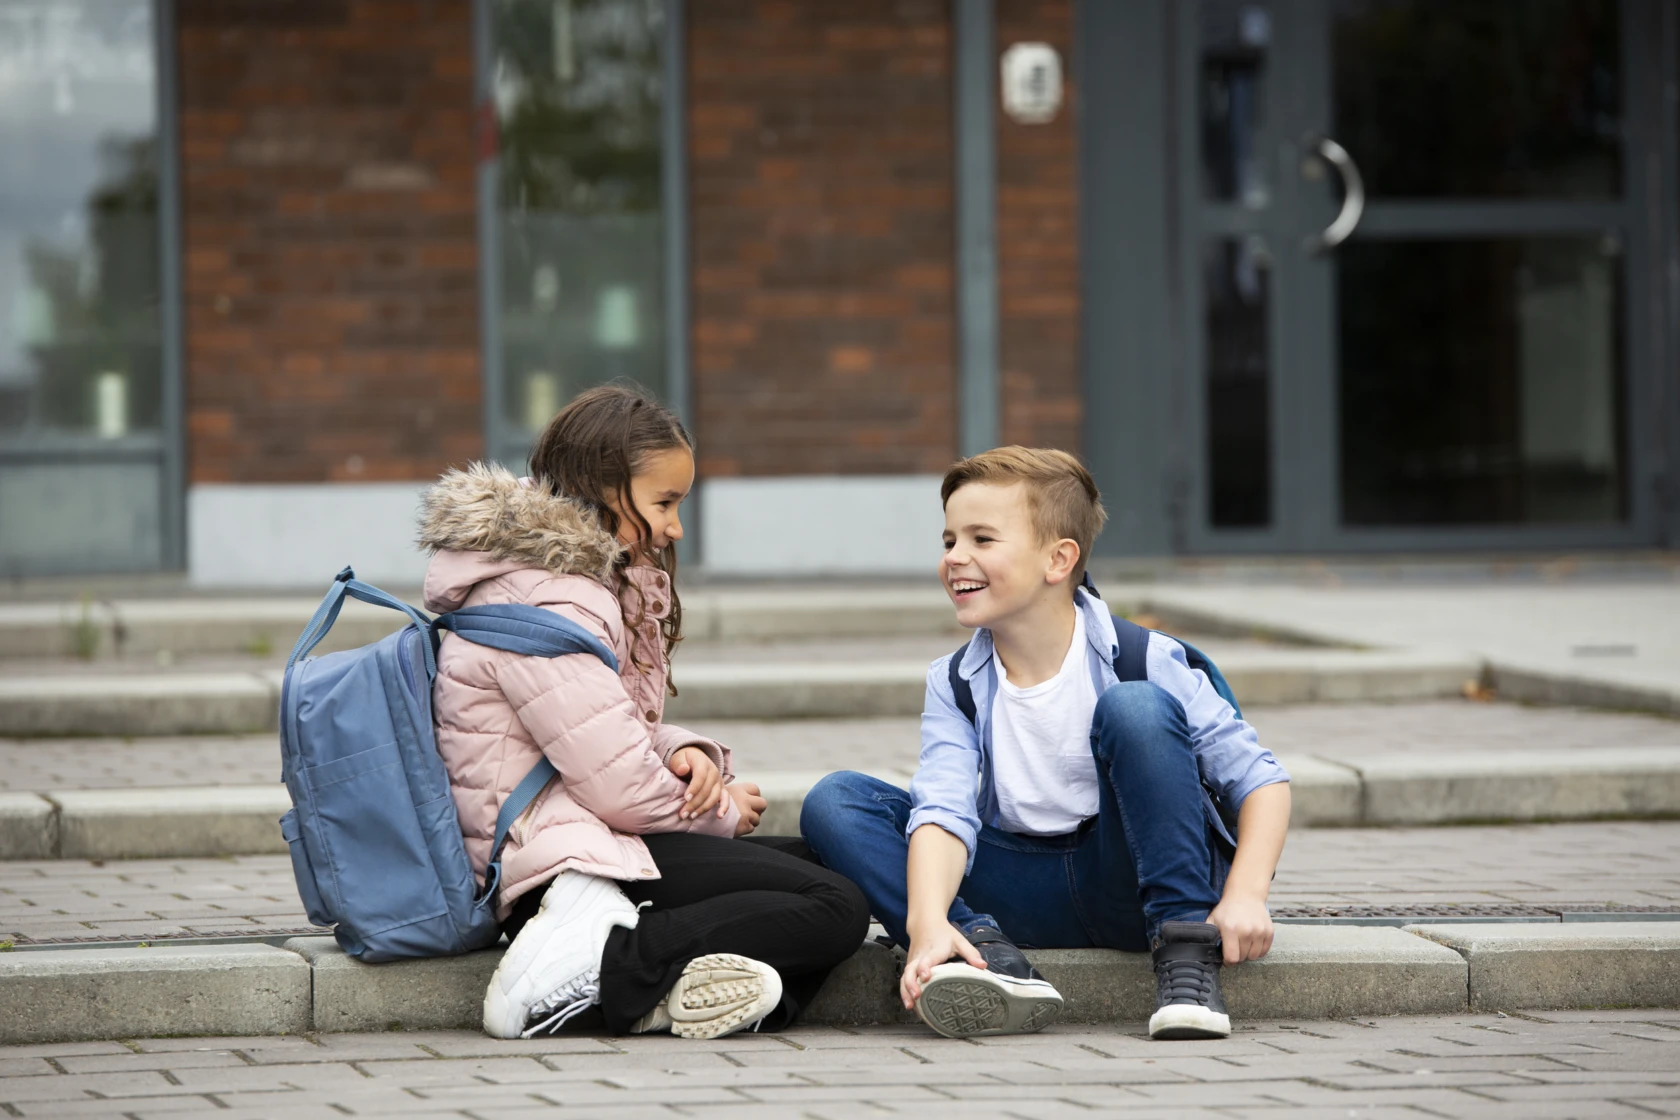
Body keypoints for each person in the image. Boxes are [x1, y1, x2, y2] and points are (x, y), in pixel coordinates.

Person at [418, 383, 869, 1040]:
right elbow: (619, 788)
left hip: (581, 837)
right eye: (664, 502)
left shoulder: (555, 579)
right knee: (836, 904)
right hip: (556, 870)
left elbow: (600, 729)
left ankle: (669, 993)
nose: (676, 526)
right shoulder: (552, 596)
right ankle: (609, 962)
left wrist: (683, 752)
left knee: (827, 864)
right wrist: (719, 810)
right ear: (603, 488)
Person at [801, 446, 1291, 1041]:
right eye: (949, 540)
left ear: (1059, 559)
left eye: (982, 539)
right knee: (837, 800)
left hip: (1132, 884)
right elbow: (943, 809)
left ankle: (1186, 958)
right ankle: (978, 952)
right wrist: (926, 918)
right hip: (1020, 892)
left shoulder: (1145, 658)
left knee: (1134, 708)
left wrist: (1245, 895)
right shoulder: (955, 681)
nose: (955, 557)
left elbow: (1261, 781)